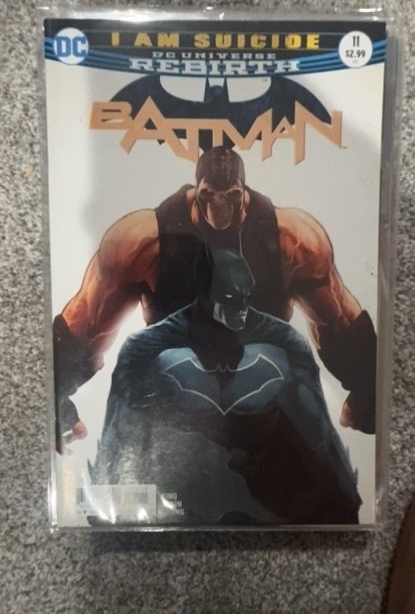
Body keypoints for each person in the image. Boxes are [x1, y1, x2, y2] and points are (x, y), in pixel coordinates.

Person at [53, 146, 376, 449]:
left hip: (262, 397)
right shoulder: (140, 242)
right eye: (208, 196)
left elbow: (338, 322)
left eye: (231, 196)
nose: (218, 210)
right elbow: (89, 323)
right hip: (173, 406)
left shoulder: (294, 241)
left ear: (242, 192)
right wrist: (54, 400)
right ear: (198, 190)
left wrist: (369, 392)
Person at [91, 248, 362, 525]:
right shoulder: (147, 345)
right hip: (183, 488)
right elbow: (121, 427)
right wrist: (107, 501)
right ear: (206, 295)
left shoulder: (284, 341)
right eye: (232, 299)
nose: (242, 308)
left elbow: (317, 426)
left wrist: (342, 499)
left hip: (267, 486)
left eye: (247, 296)